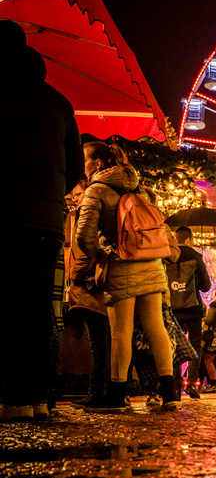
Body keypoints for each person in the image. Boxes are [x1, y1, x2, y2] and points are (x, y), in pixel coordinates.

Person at [0, 20, 84, 420]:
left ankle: (14, 395)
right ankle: (38, 394)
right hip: (46, 222)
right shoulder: (57, 101)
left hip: (7, 214)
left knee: (7, 305)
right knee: (36, 306)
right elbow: (75, 169)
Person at [76, 141, 179, 412]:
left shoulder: (96, 191)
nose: (82, 164)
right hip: (152, 262)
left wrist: (98, 255)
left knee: (121, 332)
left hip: (121, 263)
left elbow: (83, 235)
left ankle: (117, 393)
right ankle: (170, 392)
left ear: (98, 163)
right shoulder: (141, 189)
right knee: (156, 327)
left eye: (85, 159)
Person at [64, 178, 111, 407]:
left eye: (79, 194)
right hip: (88, 286)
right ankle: (100, 390)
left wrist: (74, 277)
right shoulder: (82, 215)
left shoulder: (88, 217)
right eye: (73, 195)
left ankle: (97, 392)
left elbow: (85, 252)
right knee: (100, 341)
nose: (75, 199)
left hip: (89, 286)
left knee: (98, 342)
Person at [165, 226, 211, 399]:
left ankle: (175, 386)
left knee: (173, 345)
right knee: (195, 343)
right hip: (193, 308)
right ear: (188, 239)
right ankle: (191, 382)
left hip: (173, 307)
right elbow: (206, 286)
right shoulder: (195, 257)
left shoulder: (167, 255)